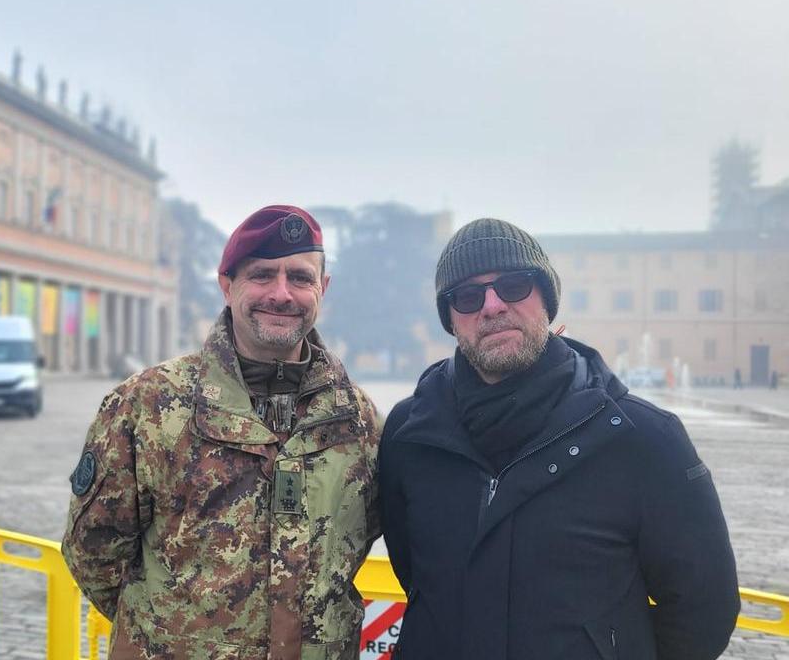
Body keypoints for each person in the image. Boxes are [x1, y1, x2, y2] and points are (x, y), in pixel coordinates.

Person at [378, 218, 739, 660]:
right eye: (468, 296)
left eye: (513, 286)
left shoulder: (644, 438)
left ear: (546, 298)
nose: (491, 306)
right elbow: (415, 574)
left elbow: (704, 607)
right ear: (451, 320)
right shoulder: (408, 436)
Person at [62, 205, 384, 659]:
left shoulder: (357, 421)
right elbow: (94, 553)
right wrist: (177, 636)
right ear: (227, 285)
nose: (281, 293)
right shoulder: (148, 406)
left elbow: (361, 539)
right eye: (262, 275)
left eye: (300, 277)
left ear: (323, 289)